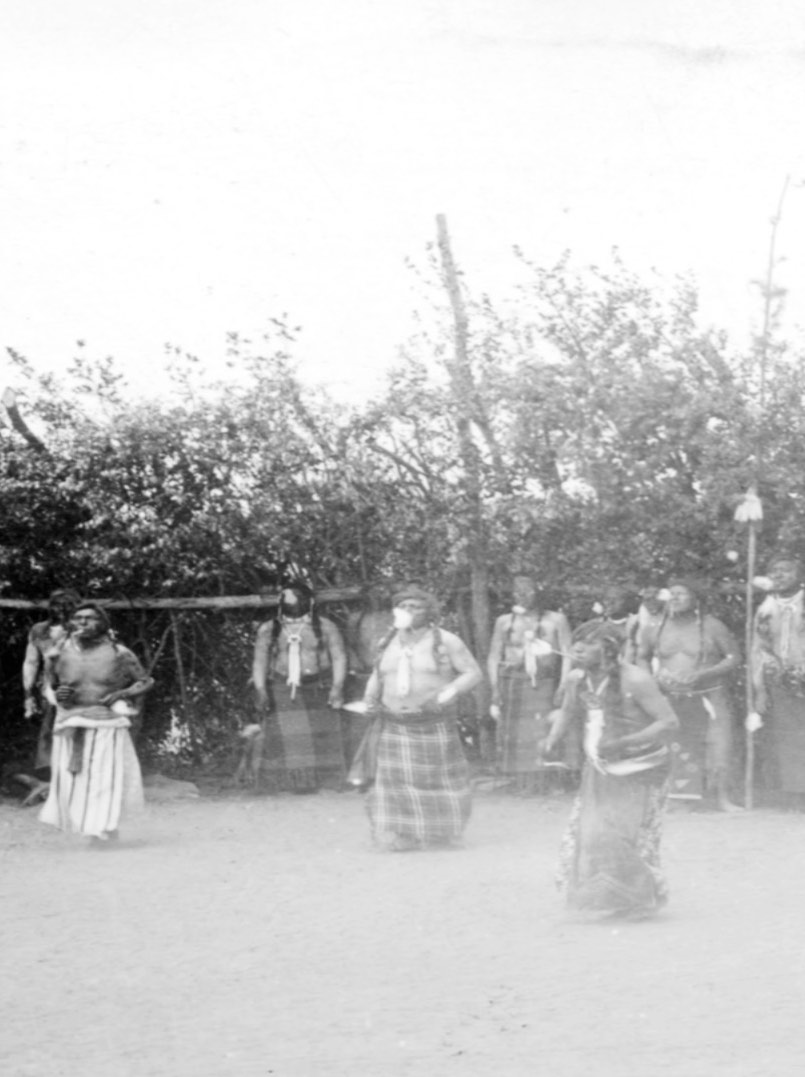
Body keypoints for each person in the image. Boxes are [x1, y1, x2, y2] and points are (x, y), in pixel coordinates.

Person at [545, 623, 678, 919]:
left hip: (642, 767)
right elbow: (568, 711)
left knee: (622, 835)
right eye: (576, 641)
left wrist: (623, 742)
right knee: (592, 832)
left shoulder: (636, 679)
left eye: (587, 643)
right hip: (602, 766)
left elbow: (669, 723)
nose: (577, 647)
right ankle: (615, 898)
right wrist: (552, 739)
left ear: (607, 648)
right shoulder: (576, 679)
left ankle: (640, 900)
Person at [362, 585, 482, 851]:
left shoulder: (446, 641)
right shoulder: (386, 642)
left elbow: (472, 673)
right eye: (403, 606)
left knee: (440, 781)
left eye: (415, 606)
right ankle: (403, 834)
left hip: (433, 722)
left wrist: (445, 694)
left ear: (430, 612)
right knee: (396, 784)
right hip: (395, 723)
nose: (408, 611)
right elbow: (377, 675)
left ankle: (442, 834)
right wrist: (369, 700)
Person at [39, 604, 153, 843]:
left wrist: (121, 694)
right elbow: (47, 685)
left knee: (104, 778)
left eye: (90, 619)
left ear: (103, 623)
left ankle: (104, 828)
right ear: (70, 623)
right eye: (78, 618)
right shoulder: (57, 653)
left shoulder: (119, 653)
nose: (83, 623)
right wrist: (55, 694)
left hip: (106, 722)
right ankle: (91, 827)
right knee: (75, 781)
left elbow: (145, 681)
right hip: (70, 721)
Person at [636, 578, 740, 811]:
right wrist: (650, 681)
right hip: (671, 695)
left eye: (681, 593)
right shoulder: (654, 626)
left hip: (710, 694)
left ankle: (722, 798)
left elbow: (734, 658)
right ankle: (678, 798)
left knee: (719, 744)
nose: (674, 598)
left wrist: (704, 673)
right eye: (671, 593)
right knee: (675, 745)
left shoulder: (713, 626)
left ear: (696, 599)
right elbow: (642, 655)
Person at [251, 581, 347, 793]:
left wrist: (337, 687)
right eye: (285, 598)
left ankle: (328, 783)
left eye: (296, 598)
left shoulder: (325, 626)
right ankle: (295, 784)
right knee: (292, 737)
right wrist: (260, 689)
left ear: (310, 601)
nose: (290, 603)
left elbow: (339, 657)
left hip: (319, 685)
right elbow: (260, 661)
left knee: (323, 734)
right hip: (283, 686)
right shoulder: (269, 629)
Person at [487, 575, 572, 794]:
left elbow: (567, 654)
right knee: (517, 734)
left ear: (539, 591)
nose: (523, 595)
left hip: (545, 681)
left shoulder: (556, 620)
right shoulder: (505, 622)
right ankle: (521, 782)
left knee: (542, 729)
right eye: (518, 591)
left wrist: (563, 686)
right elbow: (495, 656)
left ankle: (546, 781)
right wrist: (495, 687)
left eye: (528, 590)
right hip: (513, 681)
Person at [751, 555, 805, 803]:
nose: (780, 575)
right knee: (789, 736)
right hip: (781, 683)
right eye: (775, 570)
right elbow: (759, 650)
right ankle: (797, 793)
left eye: (786, 570)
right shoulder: (765, 609)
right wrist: (761, 690)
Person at [22, 589, 81, 771]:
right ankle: (51, 774)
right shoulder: (39, 630)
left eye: (68, 606)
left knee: (78, 728)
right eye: (57, 605)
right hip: (49, 687)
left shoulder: (83, 629)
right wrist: (28, 693)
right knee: (50, 728)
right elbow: (31, 662)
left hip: (80, 686)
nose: (62, 610)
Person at [343, 584, 394, 765]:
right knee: (361, 723)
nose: (377, 597)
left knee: (391, 721)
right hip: (363, 675)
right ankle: (361, 771)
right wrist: (357, 667)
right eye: (372, 594)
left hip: (392, 677)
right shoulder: (356, 619)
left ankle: (388, 767)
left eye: (382, 592)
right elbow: (349, 645)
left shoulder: (395, 617)